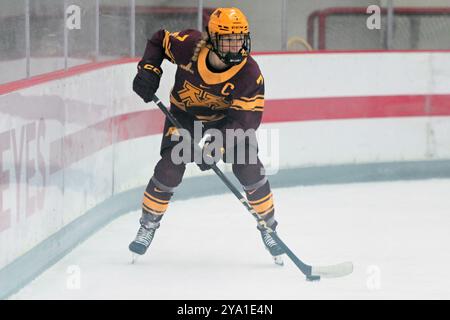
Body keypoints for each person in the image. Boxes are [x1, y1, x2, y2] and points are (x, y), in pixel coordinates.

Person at [129, 7, 284, 262]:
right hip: (184, 117)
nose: (236, 48)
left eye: (240, 40)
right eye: (228, 41)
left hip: (227, 122)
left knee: (249, 167)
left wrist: (217, 146)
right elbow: (159, 39)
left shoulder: (250, 74)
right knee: (170, 167)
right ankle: (148, 225)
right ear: (211, 40)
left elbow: (246, 121)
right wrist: (148, 70)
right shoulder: (190, 46)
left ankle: (269, 227)